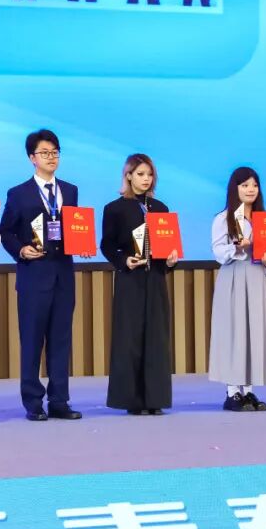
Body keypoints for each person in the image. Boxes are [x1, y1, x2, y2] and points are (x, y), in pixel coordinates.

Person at [0, 129, 85, 422]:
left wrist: (82, 243)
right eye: (45, 153)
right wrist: (21, 250)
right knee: (32, 340)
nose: (51, 158)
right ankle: (33, 402)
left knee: (61, 340)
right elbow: (6, 231)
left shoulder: (70, 191)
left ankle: (59, 400)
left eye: (55, 152)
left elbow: (74, 228)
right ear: (32, 158)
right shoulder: (18, 193)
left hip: (63, 275)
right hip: (33, 276)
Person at [100, 154, 179, 415]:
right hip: (130, 279)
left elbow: (168, 247)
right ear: (129, 176)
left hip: (155, 278)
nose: (146, 179)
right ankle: (132, 401)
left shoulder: (161, 208)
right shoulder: (115, 208)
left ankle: (155, 399)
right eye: (140, 174)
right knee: (130, 338)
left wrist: (171, 260)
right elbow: (107, 245)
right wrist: (124, 260)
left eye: (150, 174)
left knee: (156, 338)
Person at [207, 167, 266, 412]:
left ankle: (248, 391)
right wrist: (237, 247)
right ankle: (232, 392)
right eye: (245, 185)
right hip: (234, 277)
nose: (250, 190)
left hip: (257, 277)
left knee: (254, 332)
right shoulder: (223, 218)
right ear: (234, 188)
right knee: (234, 332)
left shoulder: (264, 219)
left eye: (254, 185)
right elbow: (218, 252)